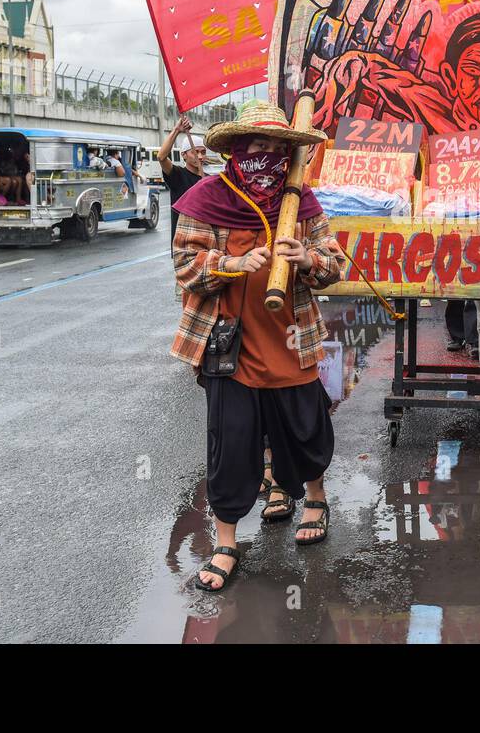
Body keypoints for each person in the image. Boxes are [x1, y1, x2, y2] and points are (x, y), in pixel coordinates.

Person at [170, 101, 346, 591]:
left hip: (292, 343)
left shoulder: (303, 203)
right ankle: (225, 541)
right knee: (229, 444)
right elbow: (184, 267)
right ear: (237, 150)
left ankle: (315, 496)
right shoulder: (206, 199)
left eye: (276, 148)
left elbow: (336, 267)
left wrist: (309, 258)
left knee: (305, 431)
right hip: (230, 348)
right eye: (257, 146)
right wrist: (230, 263)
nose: (266, 155)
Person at [158, 116, 209, 243]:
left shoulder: (208, 180)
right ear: (184, 155)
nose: (200, 156)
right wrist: (176, 130)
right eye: (195, 152)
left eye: (203, 152)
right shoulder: (177, 175)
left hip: (206, 240)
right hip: (183, 242)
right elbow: (161, 157)